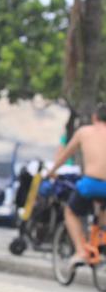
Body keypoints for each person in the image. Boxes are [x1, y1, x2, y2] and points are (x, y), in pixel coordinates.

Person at [46, 103, 106, 267]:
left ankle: (80, 251)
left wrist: (51, 171)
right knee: (102, 211)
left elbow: (65, 155)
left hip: (90, 184)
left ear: (95, 117)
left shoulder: (84, 132)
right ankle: (99, 241)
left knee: (71, 212)